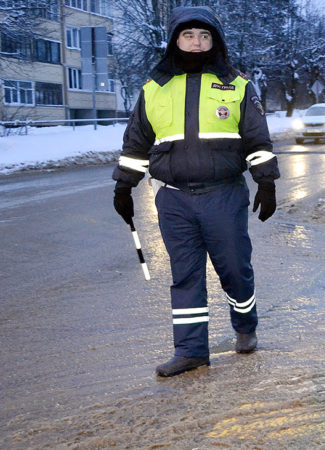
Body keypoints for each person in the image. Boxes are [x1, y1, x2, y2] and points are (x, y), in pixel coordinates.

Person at [111, 6, 279, 377]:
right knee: (185, 275)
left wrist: (266, 181)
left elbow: (257, 138)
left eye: (204, 36)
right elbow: (136, 143)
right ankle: (190, 351)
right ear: (175, 40)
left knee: (234, 269)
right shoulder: (154, 88)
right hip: (173, 198)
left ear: (214, 41)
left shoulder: (236, 85)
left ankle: (245, 326)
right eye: (188, 36)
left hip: (223, 195)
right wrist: (124, 187)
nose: (197, 43)